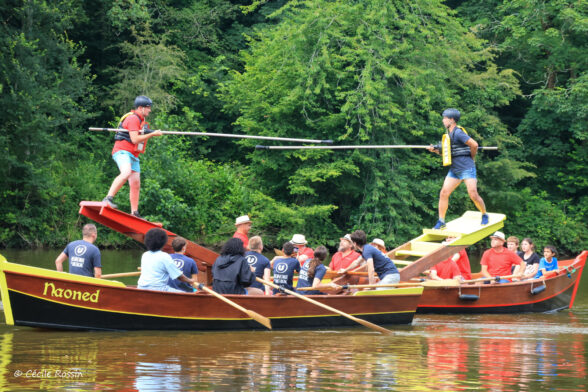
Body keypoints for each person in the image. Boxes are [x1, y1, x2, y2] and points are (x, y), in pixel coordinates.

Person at [427, 108, 489, 229]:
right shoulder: (448, 135)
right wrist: (435, 151)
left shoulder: (458, 132)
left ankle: (484, 214)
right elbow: (448, 153)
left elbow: (474, 144)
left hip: (467, 168)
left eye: (445, 118)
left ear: (452, 120)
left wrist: (472, 157)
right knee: (444, 193)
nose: (443, 120)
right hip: (455, 170)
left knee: (473, 195)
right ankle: (441, 221)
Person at [102, 96, 162, 217]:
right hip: (122, 151)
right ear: (141, 108)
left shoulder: (141, 121)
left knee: (135, 183)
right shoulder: (133, 119)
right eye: (148, 108)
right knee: (126, 172)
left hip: (133, 155)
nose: (150, 110)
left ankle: (134, 212)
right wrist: (153, 135)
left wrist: (151, 133)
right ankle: (108, 199)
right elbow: (134, 139)